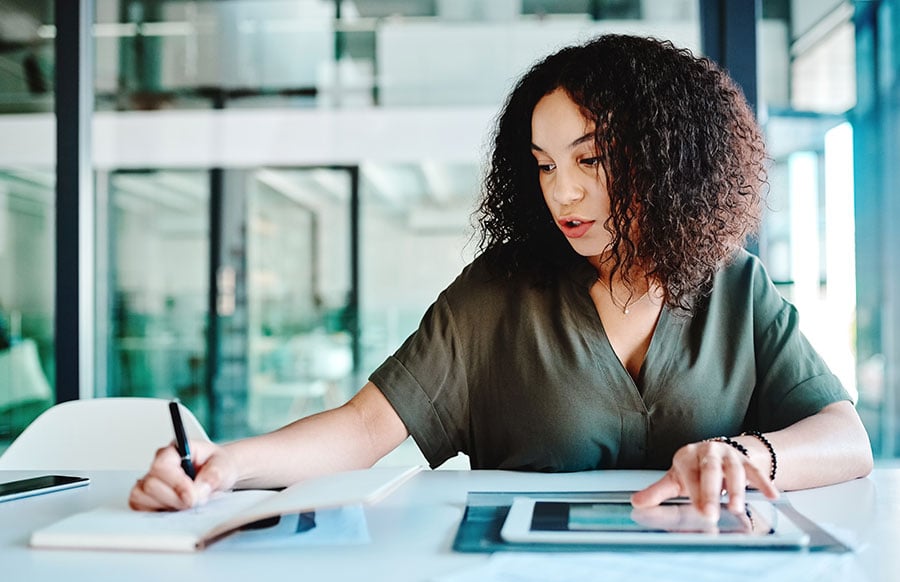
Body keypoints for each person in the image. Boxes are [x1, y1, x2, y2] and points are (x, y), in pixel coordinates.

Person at [130, 34, 873, 520]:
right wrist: (223, 464)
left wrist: (746, 455)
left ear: (667, 158)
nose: (563, 193)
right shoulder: (499, 292)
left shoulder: (736, 286)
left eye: (589, 159)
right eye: (545, 166)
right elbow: (362, 429)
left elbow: (846, 437)